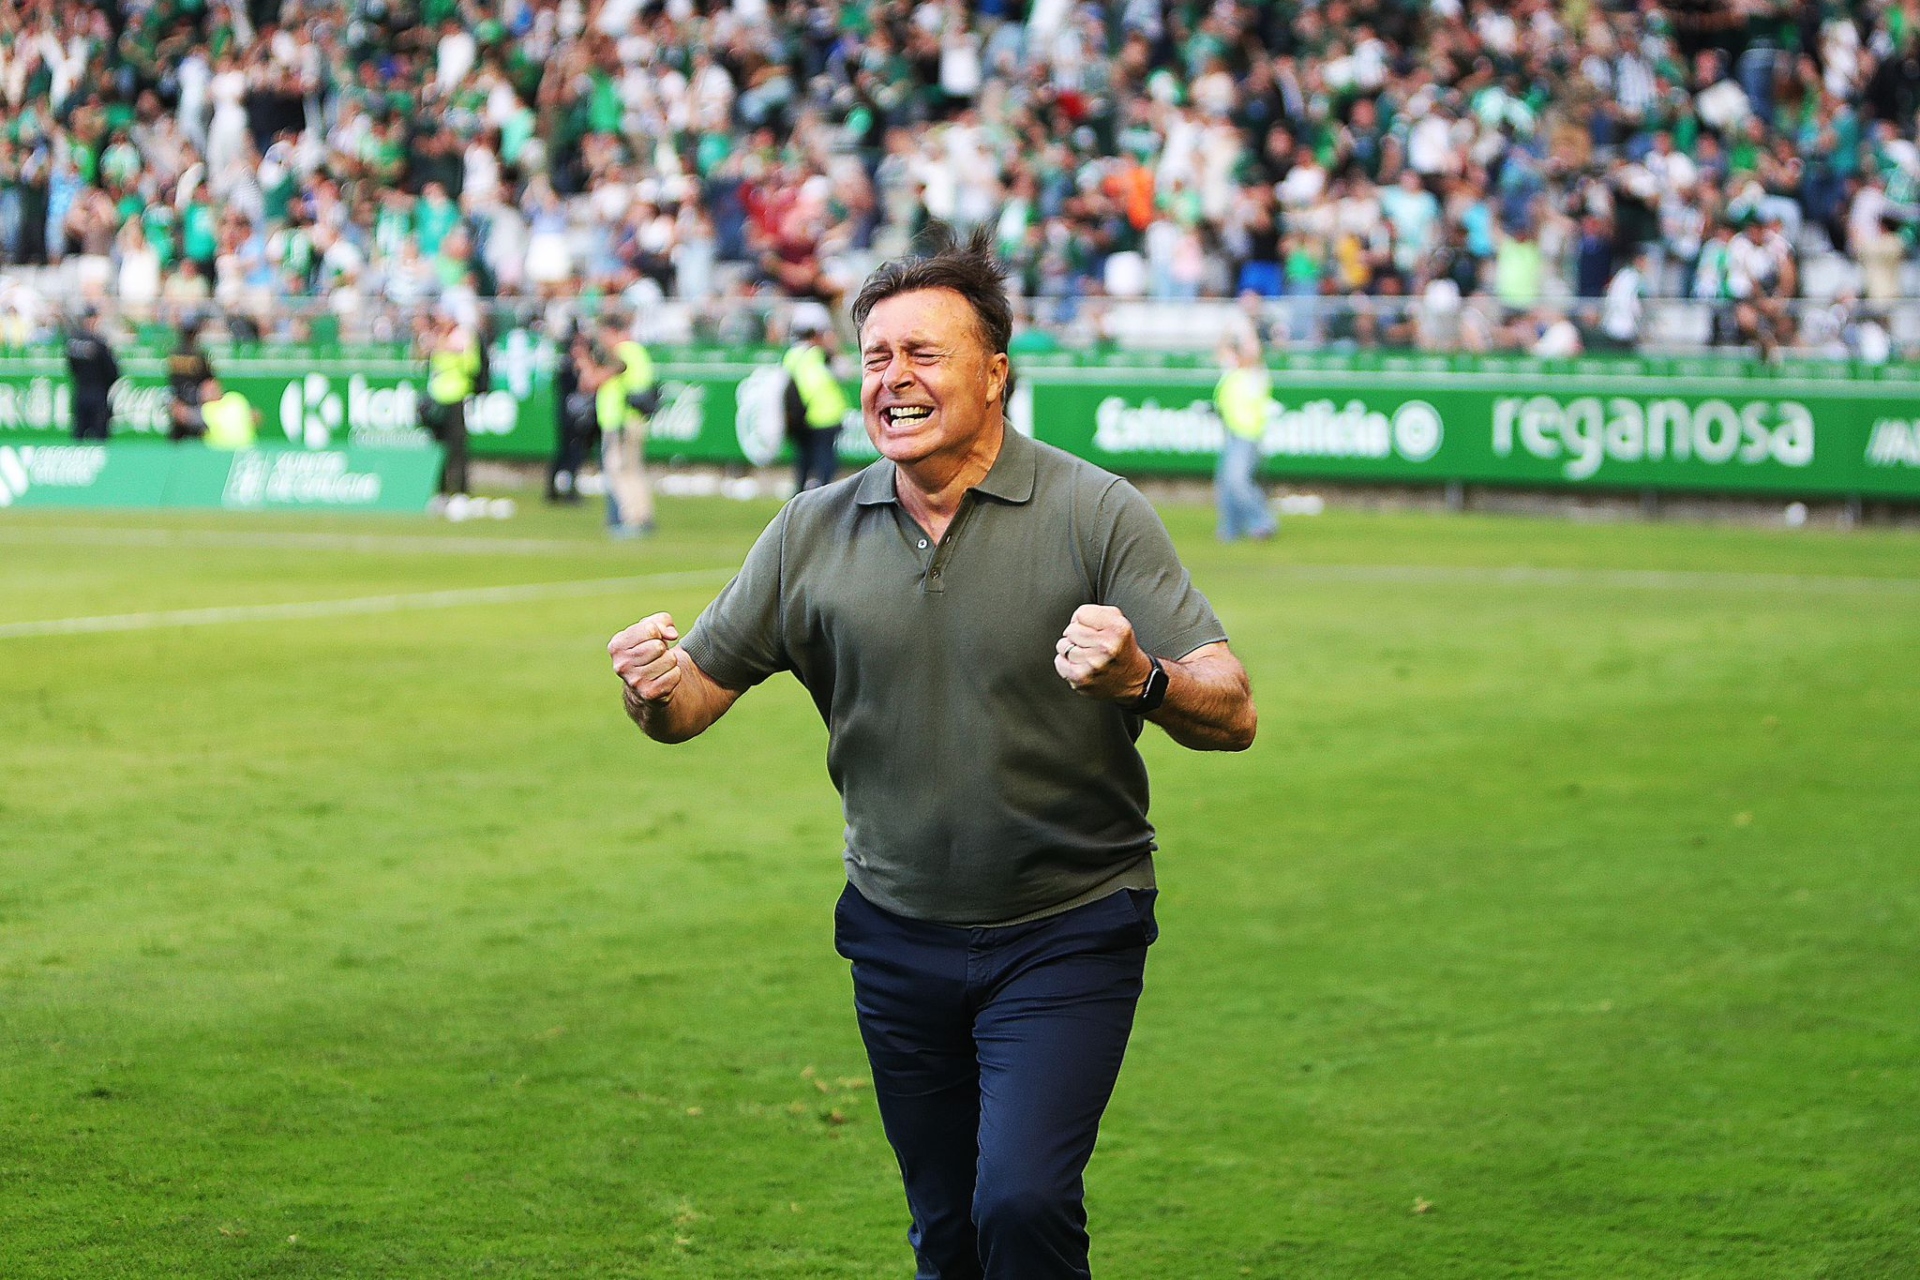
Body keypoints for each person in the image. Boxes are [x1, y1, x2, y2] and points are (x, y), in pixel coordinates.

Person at [607, 228, 1257, 1280]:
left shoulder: (1096, 511)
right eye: (875, 357)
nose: (893, 379)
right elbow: (687, 705)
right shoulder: (810, 531)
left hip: (1067, 926)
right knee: (947, 1230)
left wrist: (1144, 676)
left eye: (924, 353)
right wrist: (645, 688)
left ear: (996, 372)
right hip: (896, 936)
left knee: (1023, 1199)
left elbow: (1233, 706)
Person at [587, 312, 658, 537]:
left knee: (620, 471)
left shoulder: (623, 353)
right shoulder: (638, 351)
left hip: (621, 420)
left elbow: (600, 378)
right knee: (633, 470)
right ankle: (642, 515)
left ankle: (633, 519)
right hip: (633, 419)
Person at [1212, 337, 1277, 542]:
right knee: (1226, 483)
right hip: (1234, 432)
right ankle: (1231, 528)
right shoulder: (1234, 375)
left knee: (1237, 481)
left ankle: (1263, 522)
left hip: (1247, 433)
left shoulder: (1255, 376)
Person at [782, 315, 850, 492]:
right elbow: (845, 372)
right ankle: (824, 495)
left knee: (804, 460)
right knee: (825, 459)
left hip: (800, 416)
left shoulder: (792, 356)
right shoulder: (823, 354)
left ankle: (799, 496)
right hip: (826, 415)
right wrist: (834, 349)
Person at [420, 312, 479, 505]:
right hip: (438, 399)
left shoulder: (462, 337)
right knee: (439, 447)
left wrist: (449, 351)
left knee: (457, 447)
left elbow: (472, 366)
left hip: (456, 397)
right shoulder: (437, 338)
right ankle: (441, 491)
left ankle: (460, 491)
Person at [64, 306, 118, 441]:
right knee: (98, 435)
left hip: (83, 391)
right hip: (97, 392)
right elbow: (113, 371)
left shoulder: (73, 343)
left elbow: (71, 367)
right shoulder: (100, 344)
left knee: (81, 434)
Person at [166, 315, 216, 442]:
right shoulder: (199, 355)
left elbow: (172, 381)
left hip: (179, 402)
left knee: (177, 440)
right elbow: (209, 380)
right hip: (195, 403)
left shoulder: (173, 354)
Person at [199, 378, 258, 450]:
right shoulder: (205, 409)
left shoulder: (235, 398)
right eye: (208, 391)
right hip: (219, 452)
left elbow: (256, 416)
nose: (211, 393)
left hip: (245, 449)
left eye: (213, 389)